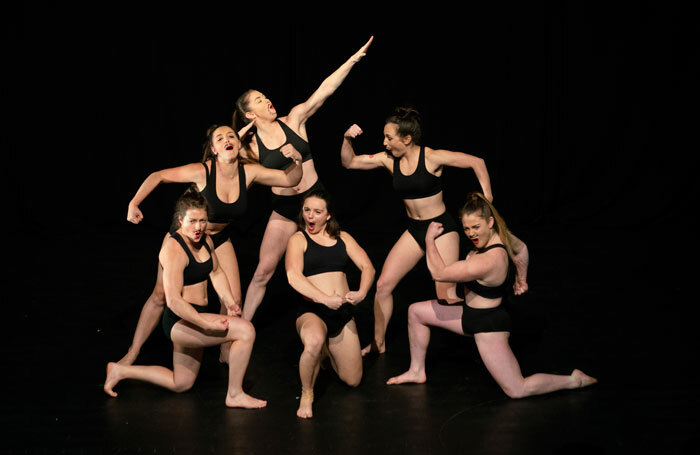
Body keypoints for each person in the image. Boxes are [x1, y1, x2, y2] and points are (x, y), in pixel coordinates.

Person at [118, 124, 302, 365]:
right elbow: (159, 176)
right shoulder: (203, 171)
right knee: (161, 294)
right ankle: (133, 351)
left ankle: (226, 353)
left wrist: (297, 161)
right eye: (220, 138)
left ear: (238, 144)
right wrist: (134, 203)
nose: (227, 139)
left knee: (233, 299)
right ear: (214, 149)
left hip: (218, 238)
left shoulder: (250, 172)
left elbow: (290, 179)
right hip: (186, 238)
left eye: (231, 136)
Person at [386, 192, 597, 398]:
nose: (471, 234)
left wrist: (429, 239)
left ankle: (573, 380)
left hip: (488, 324)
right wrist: (521, 279)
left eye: (476, 227)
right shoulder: (503, 236)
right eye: (466, 228)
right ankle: (416, 371)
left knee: (517, 389)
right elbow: (522, 249)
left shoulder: (489, 260)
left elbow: (439, 273)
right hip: (467, 314)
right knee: (415, 312)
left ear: (489, 222)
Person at [233, 36, 373, 321]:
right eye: (260, 100)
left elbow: (325, 90)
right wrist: (235, 139)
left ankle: (334, 319)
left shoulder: (294, 119)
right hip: (284, 207)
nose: (267, 100)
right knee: (263, 270)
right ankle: (242, 328)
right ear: (250, 113)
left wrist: (352, 60)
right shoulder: (250, 146)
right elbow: (223, 164)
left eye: (266, 96)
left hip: (314, 197)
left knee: (326, 262)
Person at [340, 107, 493, 354]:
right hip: (414, 230)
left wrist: (488, 196)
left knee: (445, 295)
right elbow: (349, 162)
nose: (384, 143)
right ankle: (378, 344)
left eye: (389, 138)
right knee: (383, 285)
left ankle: (483, 330)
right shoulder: (388, 161)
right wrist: (347, 139)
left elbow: (477, 162)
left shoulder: (432, 157)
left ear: (407, 139)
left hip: (441, 228)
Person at [104, 189, 267, 408]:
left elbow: (217, 272)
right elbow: (173, 301)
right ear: (180, 220)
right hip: (179, 322)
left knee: (181, 382)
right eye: (192, 221)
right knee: (246, 331)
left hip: (195, 317)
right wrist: (205, 324)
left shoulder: (206, 240)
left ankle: (120, 370)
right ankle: (235, 394)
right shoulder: (173, 250)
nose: (198, 227)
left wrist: (229, 302)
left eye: (202, 220)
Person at [285, 189, 375, 418]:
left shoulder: (342, 237)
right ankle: (307, 393)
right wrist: (324, 299)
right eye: (307, 210)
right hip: (312, 311)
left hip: (341, 312)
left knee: (353, 380)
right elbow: (293, 276)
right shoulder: (298, 239)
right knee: (313, 341)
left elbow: (367, 267)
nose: (311, 216)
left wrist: (362, 292)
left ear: (328, 215)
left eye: (317, 212)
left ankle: (327, 351)